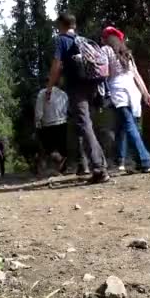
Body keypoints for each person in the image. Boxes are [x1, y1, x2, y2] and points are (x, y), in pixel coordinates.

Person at [46, 12, 109, 183]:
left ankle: (99, 169)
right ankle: (99, 164)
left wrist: (50, 87)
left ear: (61, 25)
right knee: (87, 125)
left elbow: (57, 65)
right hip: (94, 86)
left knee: (84, 125)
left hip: (77, 88)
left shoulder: (62, 40)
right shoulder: (82, 40)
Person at [101, 26, 150, 173]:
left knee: (129, 126)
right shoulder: (126, 53)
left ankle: (146, 161)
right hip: (133, 92)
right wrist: (145, 94)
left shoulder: (105, 50)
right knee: (123, 127)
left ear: (106, 39)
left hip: (118, 91)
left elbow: (104, 73)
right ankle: (120, 161)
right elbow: (136, 75)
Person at [35, 85, 69, 174]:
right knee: (62, 147)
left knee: (50, 149)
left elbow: (39, 110)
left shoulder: (42, 93)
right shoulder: (63, 93)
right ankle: (63, 168)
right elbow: (66, 108)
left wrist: (38, 121)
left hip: (48, 124)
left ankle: (56, 167)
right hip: (62, 123)